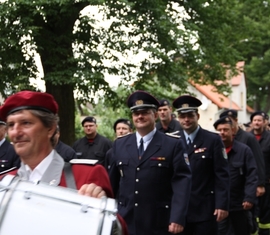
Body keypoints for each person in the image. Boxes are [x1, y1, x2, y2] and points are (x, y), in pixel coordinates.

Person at [0, 90, 128, 235]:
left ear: (50, 129)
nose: (16, 132)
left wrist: (104, 214)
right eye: (11, 125)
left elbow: (119, 230)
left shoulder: (87, 175)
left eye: (26, 123)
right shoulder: (4, 183)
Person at [109, 90, 192, 235]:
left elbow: (182, 183)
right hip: (127, 220)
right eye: (136, 113)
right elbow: (112, 184)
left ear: (155, 115)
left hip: (158, 221)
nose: (140, 116)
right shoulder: (120, 145)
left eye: (145, 112)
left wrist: (177, 217)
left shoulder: (172, 144)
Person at [172, 95, 230, 235]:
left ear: (197, 116)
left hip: (204, 208)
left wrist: (222, 204)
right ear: (178, 118)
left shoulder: (213, 140)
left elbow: (222, 174)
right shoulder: (171, 140)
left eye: (190, 116)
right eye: (182, 116)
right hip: (179, 210)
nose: (186, 120)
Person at [214, 116, 258, 235]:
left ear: (233, 131)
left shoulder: (244, 151)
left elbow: (252, 175)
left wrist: (249, 197)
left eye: (225, 130)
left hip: (239, 203)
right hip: (219, 204)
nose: (222, 133)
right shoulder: (213, 150)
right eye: (219, 130)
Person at [219, 109, 265, 196]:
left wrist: (260, 183)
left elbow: (258, 160)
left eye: (231, 120)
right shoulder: (222, 139)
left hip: (245, 181)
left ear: (236, 120)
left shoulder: (248, 137)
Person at [250, 111, 270, 235]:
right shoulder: (246, 138)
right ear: (252, 123)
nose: (257, 123)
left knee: (265, 212)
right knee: (251, 211)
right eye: (255, 120)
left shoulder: (269, 138)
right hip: (250, 182)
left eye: (259, 120)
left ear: (264, 122)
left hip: (267, 182)